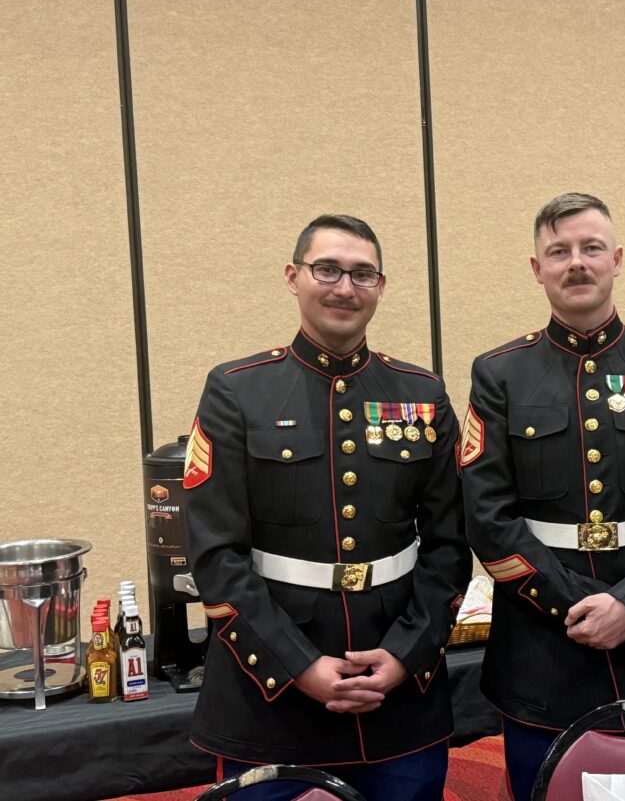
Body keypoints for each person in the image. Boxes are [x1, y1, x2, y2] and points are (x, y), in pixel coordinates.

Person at [183, 214, 469, 800]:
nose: (345, 287)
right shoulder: (237, 391)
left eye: (362, 274)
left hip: (398, 693)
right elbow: (216, 556)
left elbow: (449, 543)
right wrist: (298, 666)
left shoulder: (421, 394)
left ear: (381, 286)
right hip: (270, 698)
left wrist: (405, 654)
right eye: (327, 270)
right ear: (293, 277)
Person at [459, 193, 625, 800]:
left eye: (591, 248)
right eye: (559, 252)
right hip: (543, 644)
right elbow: (487, 517)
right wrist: (576, 607)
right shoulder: (500, 374)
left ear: (617, 259)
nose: (576, 262)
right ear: (537, 269)